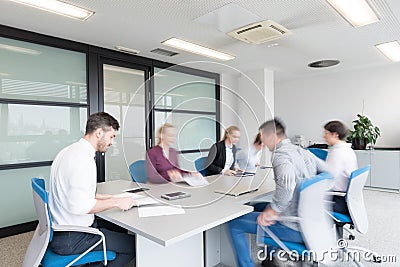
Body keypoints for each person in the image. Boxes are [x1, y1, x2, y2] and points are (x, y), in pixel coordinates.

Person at [228, 119, 327, 267]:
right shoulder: (301, 150)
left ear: (271, 136)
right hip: (312, 221)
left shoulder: (280, 155)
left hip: (293, 226)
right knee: (258, 207)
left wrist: (273, 210)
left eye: (263, 137)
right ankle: (270, 258)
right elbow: (326, 172)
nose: (263, 143)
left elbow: (286, 188)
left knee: (234, 223)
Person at [48, 112, 136, 267]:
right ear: (99, 132)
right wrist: (116, 203)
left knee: (118, 228)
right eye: (111, 137)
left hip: (61, 229)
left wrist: (104, 198)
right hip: (74, 237)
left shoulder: (69, 152)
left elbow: (70, 191)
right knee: (133, 246)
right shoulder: (84, 160)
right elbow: (81, 206)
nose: (112, 142)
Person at [323, 120, 358, 215]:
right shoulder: (348, 150)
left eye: (326, 133)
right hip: (348, 200)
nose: (324, 136)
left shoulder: (337, 153)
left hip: (338, 201)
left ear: (335, 135)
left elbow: (328, 180)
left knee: (304, 200)